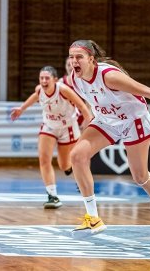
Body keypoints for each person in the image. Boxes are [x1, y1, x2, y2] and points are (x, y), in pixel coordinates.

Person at [68, 39, 150, 243]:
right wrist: (88, 122)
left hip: (133, 121)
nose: (73, 61)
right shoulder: (74, 79)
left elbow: (149, 92)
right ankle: (93, 217)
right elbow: (91, 97)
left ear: (91, 59)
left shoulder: (110, 77)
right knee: (77, 156)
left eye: (79, 57)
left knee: (140, 177)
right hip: (107, 121)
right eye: (71, 57)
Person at [11, 66, 92, 209]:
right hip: (49, 126)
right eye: (41, 78)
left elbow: (81, 105)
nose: (43, 80)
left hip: (67, 128)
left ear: (55, 79)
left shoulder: (63, 90)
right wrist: (21, 109)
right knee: (44, 160)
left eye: (47, 78)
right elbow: (35, 97)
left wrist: (89, 122)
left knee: (64, 165)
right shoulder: (39, 89)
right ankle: (52, 196)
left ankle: (70, 168)